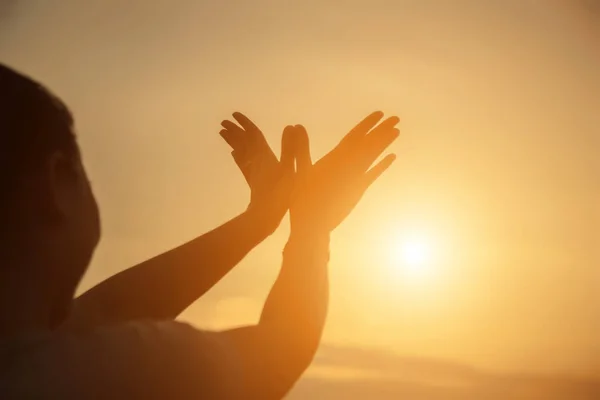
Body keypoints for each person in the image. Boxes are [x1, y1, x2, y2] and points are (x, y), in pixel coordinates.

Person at [0, 63, 400, 399]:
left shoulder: (26, 357)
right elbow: (280, 352)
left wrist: (258, 219)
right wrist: (312, 226)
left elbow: (109, 310)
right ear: (59, 181)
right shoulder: (87, 375)